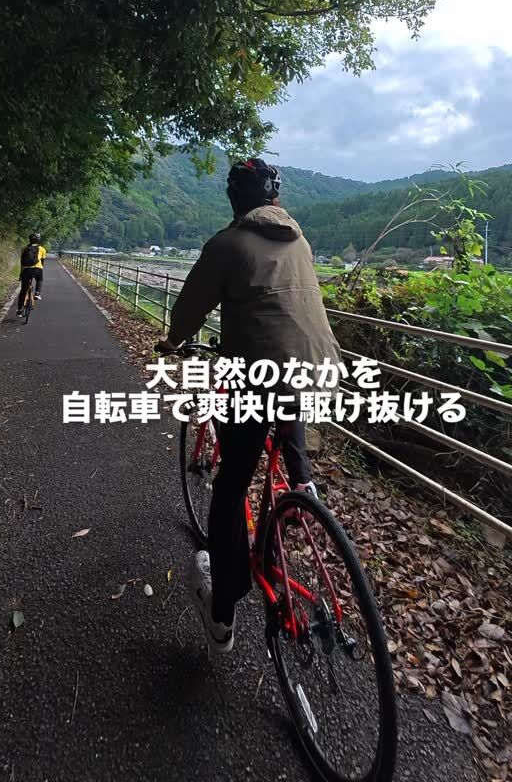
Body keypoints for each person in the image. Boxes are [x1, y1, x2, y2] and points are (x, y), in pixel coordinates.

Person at [157, 158, 342, 655]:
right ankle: (302, 489)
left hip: (255, 376)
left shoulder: (227, 244)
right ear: (275, 198)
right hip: (317, 370)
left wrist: (174, 342)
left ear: (234, 199)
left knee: (232, 480)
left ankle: (222, 616)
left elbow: (189, 311)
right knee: (288, 410)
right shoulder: (299, 241)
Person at [16, 233, 47, 316]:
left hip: (26, 270)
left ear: (29, 240)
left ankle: (20, 309)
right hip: (37, 270)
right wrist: (40, 269)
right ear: (38, 240)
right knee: (40, 280)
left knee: (23, 290)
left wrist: (20, 274)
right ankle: (37, 293)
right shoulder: (42, 249)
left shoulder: (24, 249)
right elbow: (42, 263)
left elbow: (22, 262)